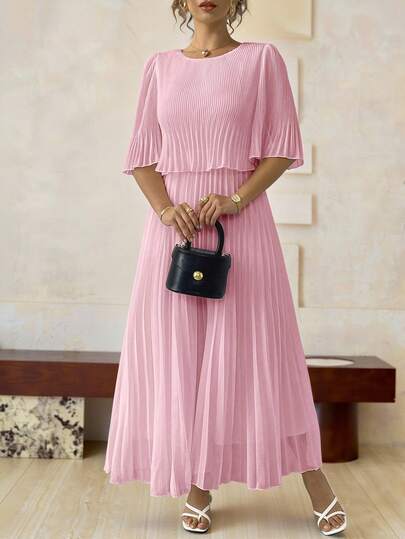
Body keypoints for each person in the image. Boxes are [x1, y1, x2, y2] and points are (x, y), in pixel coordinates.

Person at [104, 0, 348, 535]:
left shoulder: (262, 60)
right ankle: (198, 485)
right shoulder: (159, 67)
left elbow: (281, 148)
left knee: (263, 349)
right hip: (175, 229)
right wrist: (166, 211)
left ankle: (316, 482)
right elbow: (142, 157)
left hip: (241, 223)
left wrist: (236, 199)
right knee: (184, 352)